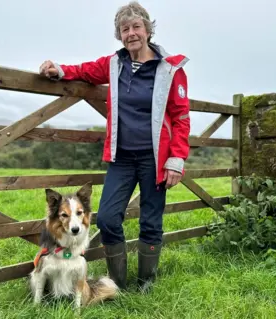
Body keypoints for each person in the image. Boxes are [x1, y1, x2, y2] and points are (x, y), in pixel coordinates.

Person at [38, 1, 190, 293]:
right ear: (119, 35)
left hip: (155, 158)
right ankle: (117, 283)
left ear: (148, 29)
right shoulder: (113, 63)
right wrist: (59, 69)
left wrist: (176, 158)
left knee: (150, 218)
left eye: (136, 27)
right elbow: (85, 70)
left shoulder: (170, 68)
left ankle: (146, 282)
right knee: (107, 217)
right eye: (124, 29)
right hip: (121, 157)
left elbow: (181, 116)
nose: (131, 33)